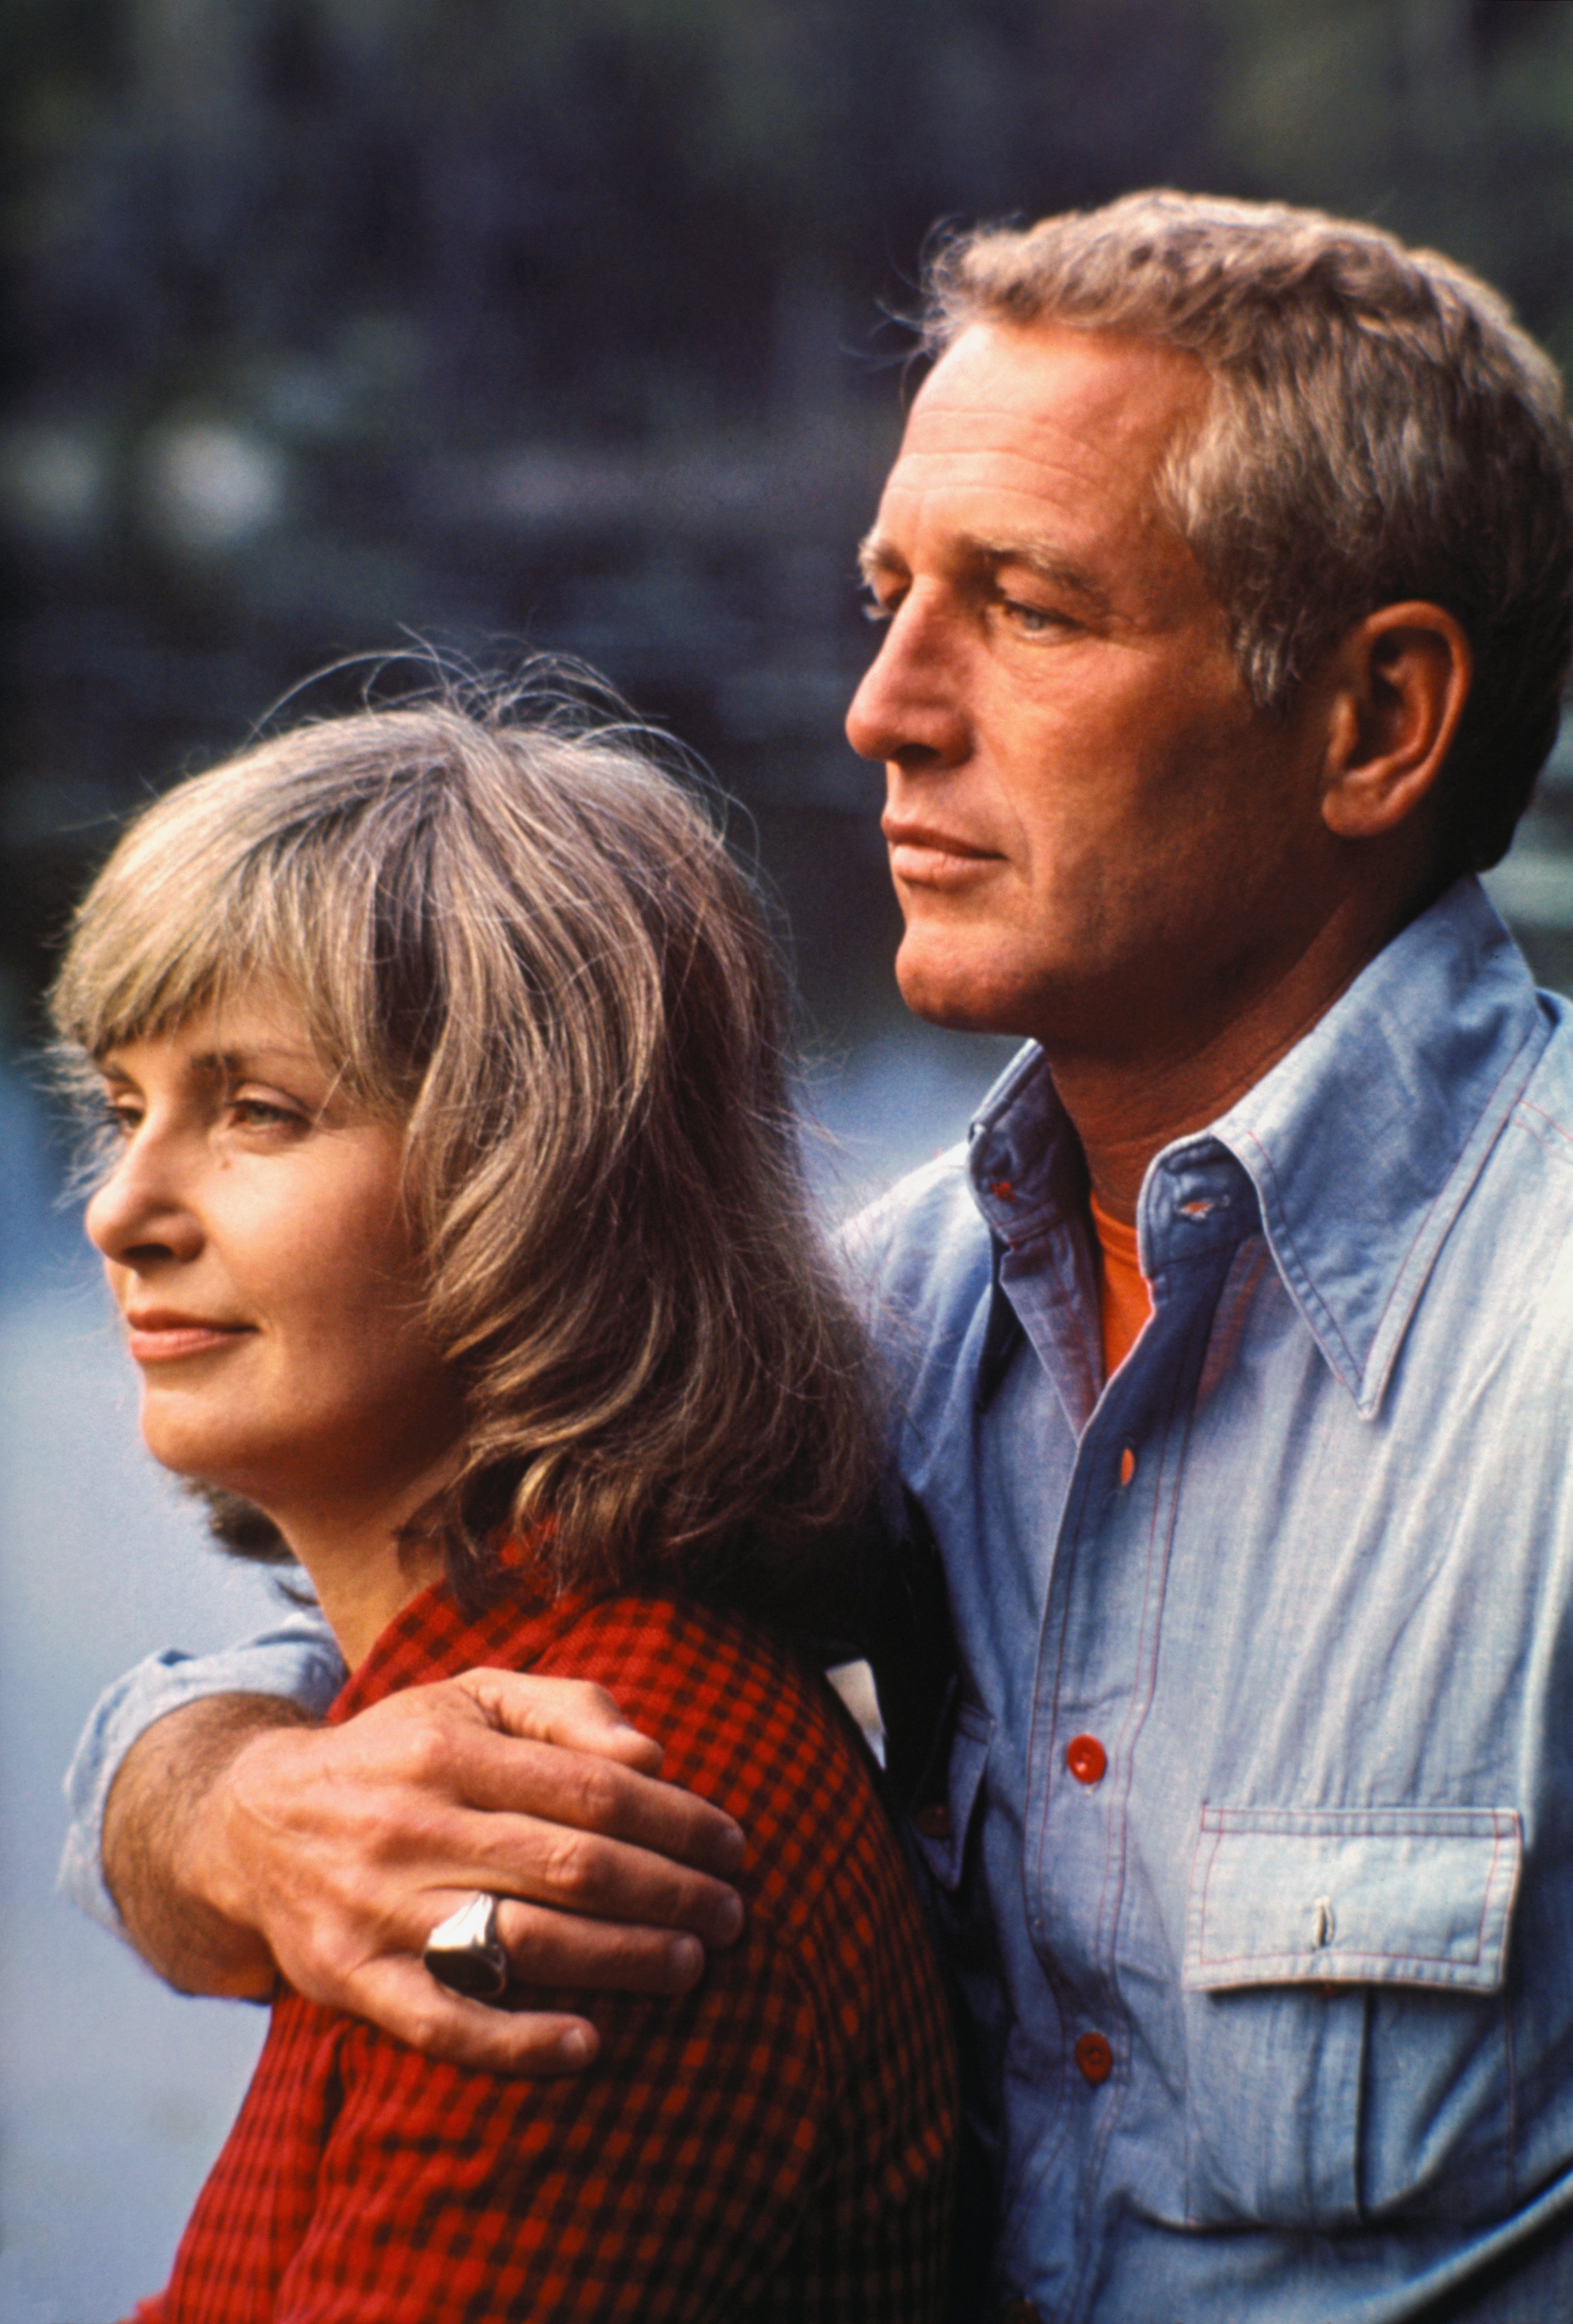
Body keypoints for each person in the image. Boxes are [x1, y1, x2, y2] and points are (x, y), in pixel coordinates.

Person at [61, 188, 1573, 2320]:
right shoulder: (886, 1322)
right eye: (885, 598)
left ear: (1372, 724)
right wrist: (230, 1809)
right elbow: (419, 1619)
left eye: (1028, 609)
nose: (880, 708)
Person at [50, 688, 958, 2321]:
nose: (121, 1210)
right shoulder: (423, 1756)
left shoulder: (568, 1830)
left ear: (531, 1177)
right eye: (126, 1109)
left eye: (257, 1112)